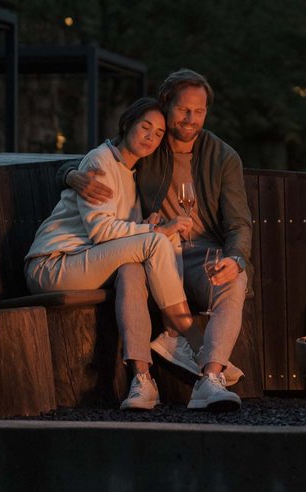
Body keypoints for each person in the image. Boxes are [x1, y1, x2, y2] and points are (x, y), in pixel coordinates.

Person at [61, 68, 251, 411]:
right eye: (183, 109)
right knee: (129, 270)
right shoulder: (151, 141)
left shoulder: (223, 157)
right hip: (153, 250)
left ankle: (210, 378)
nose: (191, 119)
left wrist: (235, 259)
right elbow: (105, 156)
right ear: (166, 105)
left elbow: (239, 223)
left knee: (236, 278)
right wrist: (71, 175)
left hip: (200, 255)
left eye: (199, 111)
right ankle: (142, 381)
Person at [25, 97, 203, 411]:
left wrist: (148, 223)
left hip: (85, 260)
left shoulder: (132, 174)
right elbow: (101, 231)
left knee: (132, 268)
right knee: (158, 240)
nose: (150, 137)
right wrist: (154, 230)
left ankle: (142, 380)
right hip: (53, 263)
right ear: (127, 124)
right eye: (145, 127)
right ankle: (187, 338)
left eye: (158, 133)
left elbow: (118, 229)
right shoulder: (101, 160)